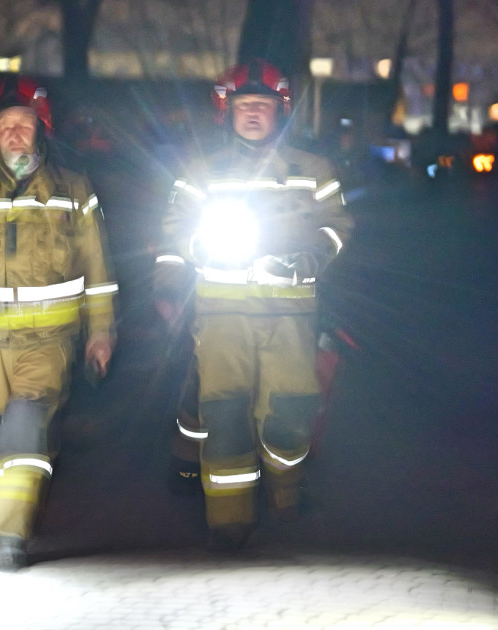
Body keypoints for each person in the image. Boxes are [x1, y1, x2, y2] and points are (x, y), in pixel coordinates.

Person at [153, 59, 353, 550]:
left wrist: (312, 255)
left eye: (263, 106)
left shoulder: (313, 170)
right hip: (222, 313)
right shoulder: (201, 172)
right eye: (244, 105)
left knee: (289, 411)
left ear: (280, 110)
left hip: (290, 314)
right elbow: (175, 231)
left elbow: (339, 228)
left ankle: (287, 492)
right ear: (227, 110)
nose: (254, 114)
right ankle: (229, 519)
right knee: (225, 413)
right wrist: (179, 272)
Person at [0, 77, 117, 571]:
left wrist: (101, 330)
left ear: (41, 129)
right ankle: (18, 501)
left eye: (23, 124)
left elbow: (98, 267)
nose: (13, 134)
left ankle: (11, 535)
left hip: (49, 340)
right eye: (4, 126)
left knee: (25, 426)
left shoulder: (74, 189)